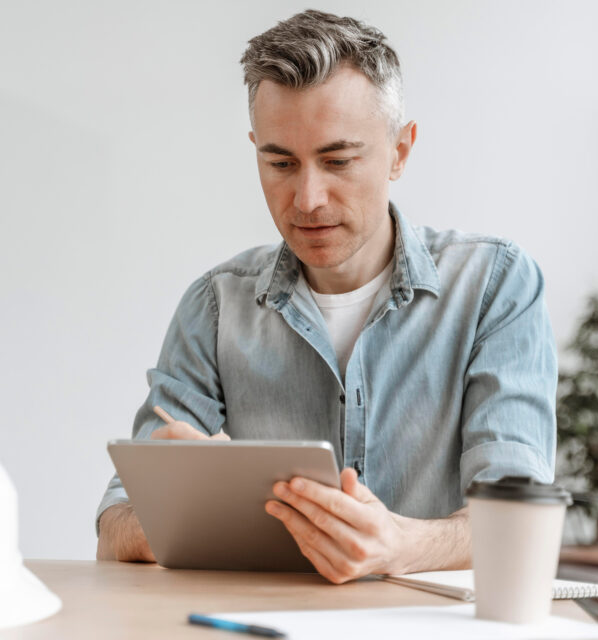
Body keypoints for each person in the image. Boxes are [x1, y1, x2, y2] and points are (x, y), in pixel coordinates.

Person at [97, 10, 557, 584]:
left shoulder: (495, 285)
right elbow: (114, 526)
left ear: (400, 152)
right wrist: (205, 501)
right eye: (280, 162)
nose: (307, 198)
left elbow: (522, 521)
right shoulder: (215, 306)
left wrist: (399, 545)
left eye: (338, 160)